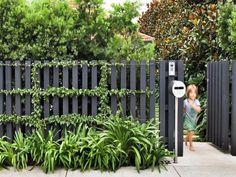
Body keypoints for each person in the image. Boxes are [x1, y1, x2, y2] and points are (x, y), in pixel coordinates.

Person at [183, 84, 201, 151]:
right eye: (191, 92)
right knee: (191, 131)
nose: (193, 94)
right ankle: (191, 145)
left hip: (193, 120)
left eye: (194, 93)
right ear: (188, 93)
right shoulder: (185, 101)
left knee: (189, 131)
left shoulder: (196, 101)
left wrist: (194, 106)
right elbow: (183, 110)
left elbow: (199, 110)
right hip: (187, 119)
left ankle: (186, 139)